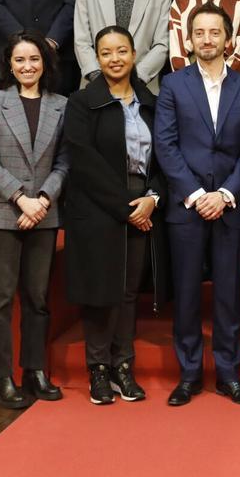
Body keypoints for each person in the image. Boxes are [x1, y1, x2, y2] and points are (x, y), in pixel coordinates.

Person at [154, 3, 240, 407]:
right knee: (185, 294)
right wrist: (198, 196)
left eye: (214, 32)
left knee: (229, 294)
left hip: (231, 205)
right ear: (189, 38)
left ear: (228, 38)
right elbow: (165, 146)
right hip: (187, 206)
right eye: (199, 33)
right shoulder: (173, 86)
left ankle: (229, 375)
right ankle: (189, 374)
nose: (206, 40)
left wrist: (227, 194)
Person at [63, 25, 169, 406]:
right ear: (97, 57)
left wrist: (153, 197)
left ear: (134, 55)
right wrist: (126, 207)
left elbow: (165, 157)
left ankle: (124, 366)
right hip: (98, 206)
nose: (114, 59)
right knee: (100, 290)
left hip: (143, 202)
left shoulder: (152, 102)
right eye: (106, 52)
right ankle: (99, 370)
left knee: (127, 291)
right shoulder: (82, 102)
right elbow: (84, 161)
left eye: (121, 51)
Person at [0, 32, 69, 409]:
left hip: (43, 212)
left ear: (45, 64)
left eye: (34, 59)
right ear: (9, 66)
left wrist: (42, 199)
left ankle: (35, 371)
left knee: (37, 297)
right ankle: (2, 379)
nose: (27, 66)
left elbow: (64, 161)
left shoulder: (61, 105)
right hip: (0, 212)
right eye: (19, 60)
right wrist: (20, 198)